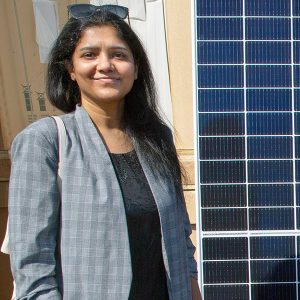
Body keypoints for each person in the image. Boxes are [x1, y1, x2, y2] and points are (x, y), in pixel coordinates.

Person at [8, 4, 201, 300]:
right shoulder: (45, 141)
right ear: (70, 69)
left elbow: (179, 240)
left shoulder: (156, 139)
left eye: (118, 54)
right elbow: (32, 263)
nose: (105, 64)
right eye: (89, 54)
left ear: (136, 69)